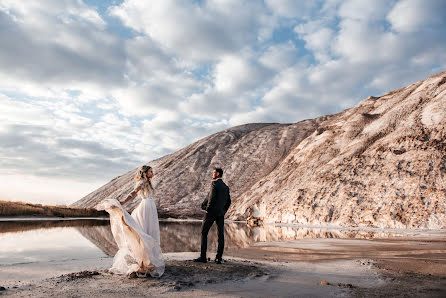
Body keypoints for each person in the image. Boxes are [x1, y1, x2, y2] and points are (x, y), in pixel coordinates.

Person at [98, 165, 164, 277]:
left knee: (149, 233)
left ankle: (148, 262)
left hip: (150, 209)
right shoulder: (141, 183)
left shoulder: (148, 183)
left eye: (152, 171)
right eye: (151, 172)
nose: (153, 173)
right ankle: (143, 264)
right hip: (146, 209)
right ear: (145, 173)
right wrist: (123, 201)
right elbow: (133, 193)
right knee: (144, 234)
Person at [194, 167, 231, 264]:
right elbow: (229, 202)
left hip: (211, 213)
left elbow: (212, 198)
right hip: (220, 214)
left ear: (218, 174)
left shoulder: (214, 183)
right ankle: (218, 258)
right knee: (221, 235)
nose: (212, 174)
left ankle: (203, 257)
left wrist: (207, 209)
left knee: (204, 232)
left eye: (214, 173)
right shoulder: (226, 187)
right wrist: (223, 210)